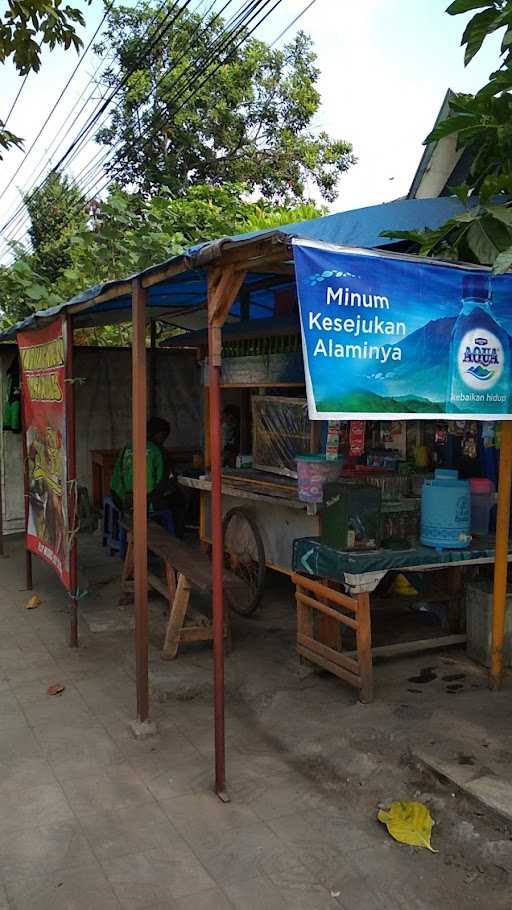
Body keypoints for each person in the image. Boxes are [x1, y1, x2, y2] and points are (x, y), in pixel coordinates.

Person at [110, 416, 186, 536]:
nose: (164, 440)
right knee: (179, 500)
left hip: (121, 499)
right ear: (159, 434)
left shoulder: (128, 446)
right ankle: (173, 537)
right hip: (146, 502)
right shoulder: (158, 450)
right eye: (164, 436)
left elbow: (117, 473)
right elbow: (165, 481)